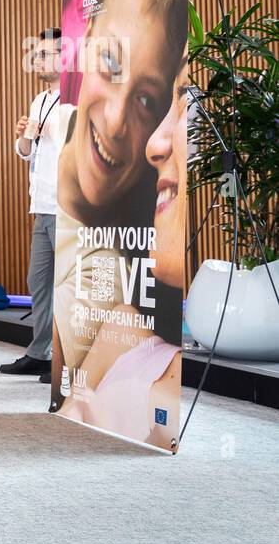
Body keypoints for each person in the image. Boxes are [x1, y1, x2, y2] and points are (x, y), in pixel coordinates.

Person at [52, 0, 188, 379]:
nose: (113, 122)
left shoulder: (122, 284)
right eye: (111, 65)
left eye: (147, 101)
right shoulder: (59, 125)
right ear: (86, 35)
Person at [57, 62, 189, 450]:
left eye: (183, 99)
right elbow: (64, 418)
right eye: (108, 66)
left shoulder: (107, 269)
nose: (153, 143)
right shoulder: (125, 322)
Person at [0, 29, 69, 377]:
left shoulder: (76, 99)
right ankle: (39, 351)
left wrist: (47, 132)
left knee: (66, 286)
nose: (38, 61)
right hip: (40, 204)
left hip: (67, 206)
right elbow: (27, 153)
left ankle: (66, 359)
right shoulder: (39, 99)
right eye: (38, 54)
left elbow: (78, 146)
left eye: (45, 54)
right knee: (38, 282)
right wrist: (24, 136)